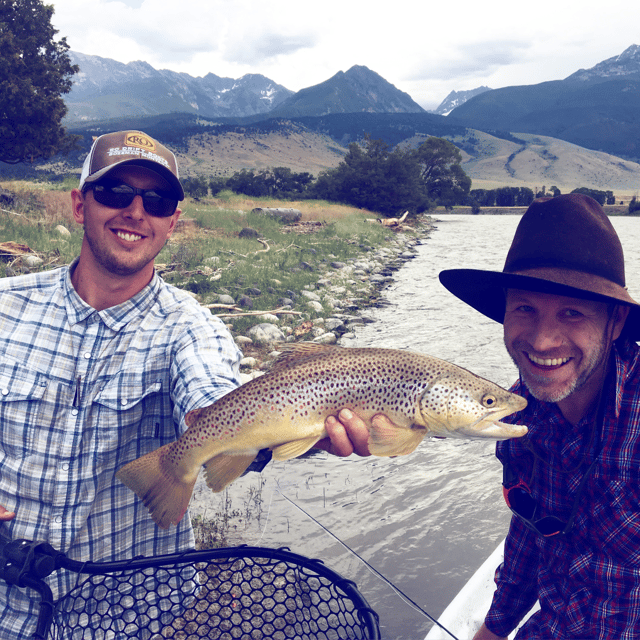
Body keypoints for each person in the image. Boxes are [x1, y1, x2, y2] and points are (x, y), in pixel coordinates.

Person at [0, 130, 367, 637]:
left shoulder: (191, 328)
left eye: (156, 200)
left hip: (127, 617)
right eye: (114, 193)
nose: (135, 211)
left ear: (173, 219)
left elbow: (215, 399)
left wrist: (302, 429)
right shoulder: (5, 306)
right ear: (79, 205)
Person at [437, 193, 640, 639]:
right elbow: (531, 530)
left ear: (617, 322)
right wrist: (493, 630)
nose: (543, 341)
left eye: (572, 313)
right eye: (525, 308)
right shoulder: (517, 414)